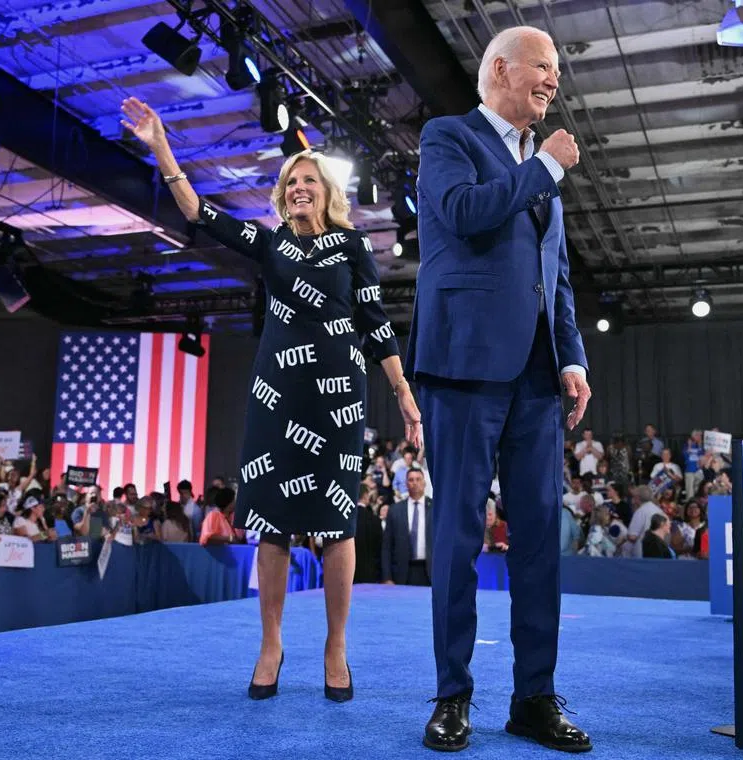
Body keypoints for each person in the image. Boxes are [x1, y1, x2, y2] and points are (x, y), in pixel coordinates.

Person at [120, 95, 421, 704]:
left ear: (328, 191)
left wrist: (404, 394)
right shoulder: (271, 244)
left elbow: (376, 322)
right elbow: (200, 211)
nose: (299, 187)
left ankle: (336, 646)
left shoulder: (353, 247)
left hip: (338, 396)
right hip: (276, 394)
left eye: (310, 179)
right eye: (291, 181)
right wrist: (160, 146)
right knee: (273, 526)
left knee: (338, 525)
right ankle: (272, 643)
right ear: (282, 195)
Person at [408, 25, 591, 753]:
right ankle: (453, 696)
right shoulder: (448, 137)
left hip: (539, 378)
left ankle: (534, 698)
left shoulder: (539, 165)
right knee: (457, 539)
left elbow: (558, 277)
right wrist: (543, 170)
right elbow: (461, 215)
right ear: (501, 70)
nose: (553, 81)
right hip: (462, 368)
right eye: (543, 67)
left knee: (541, 541)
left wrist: (572, 356)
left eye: (556, 71)